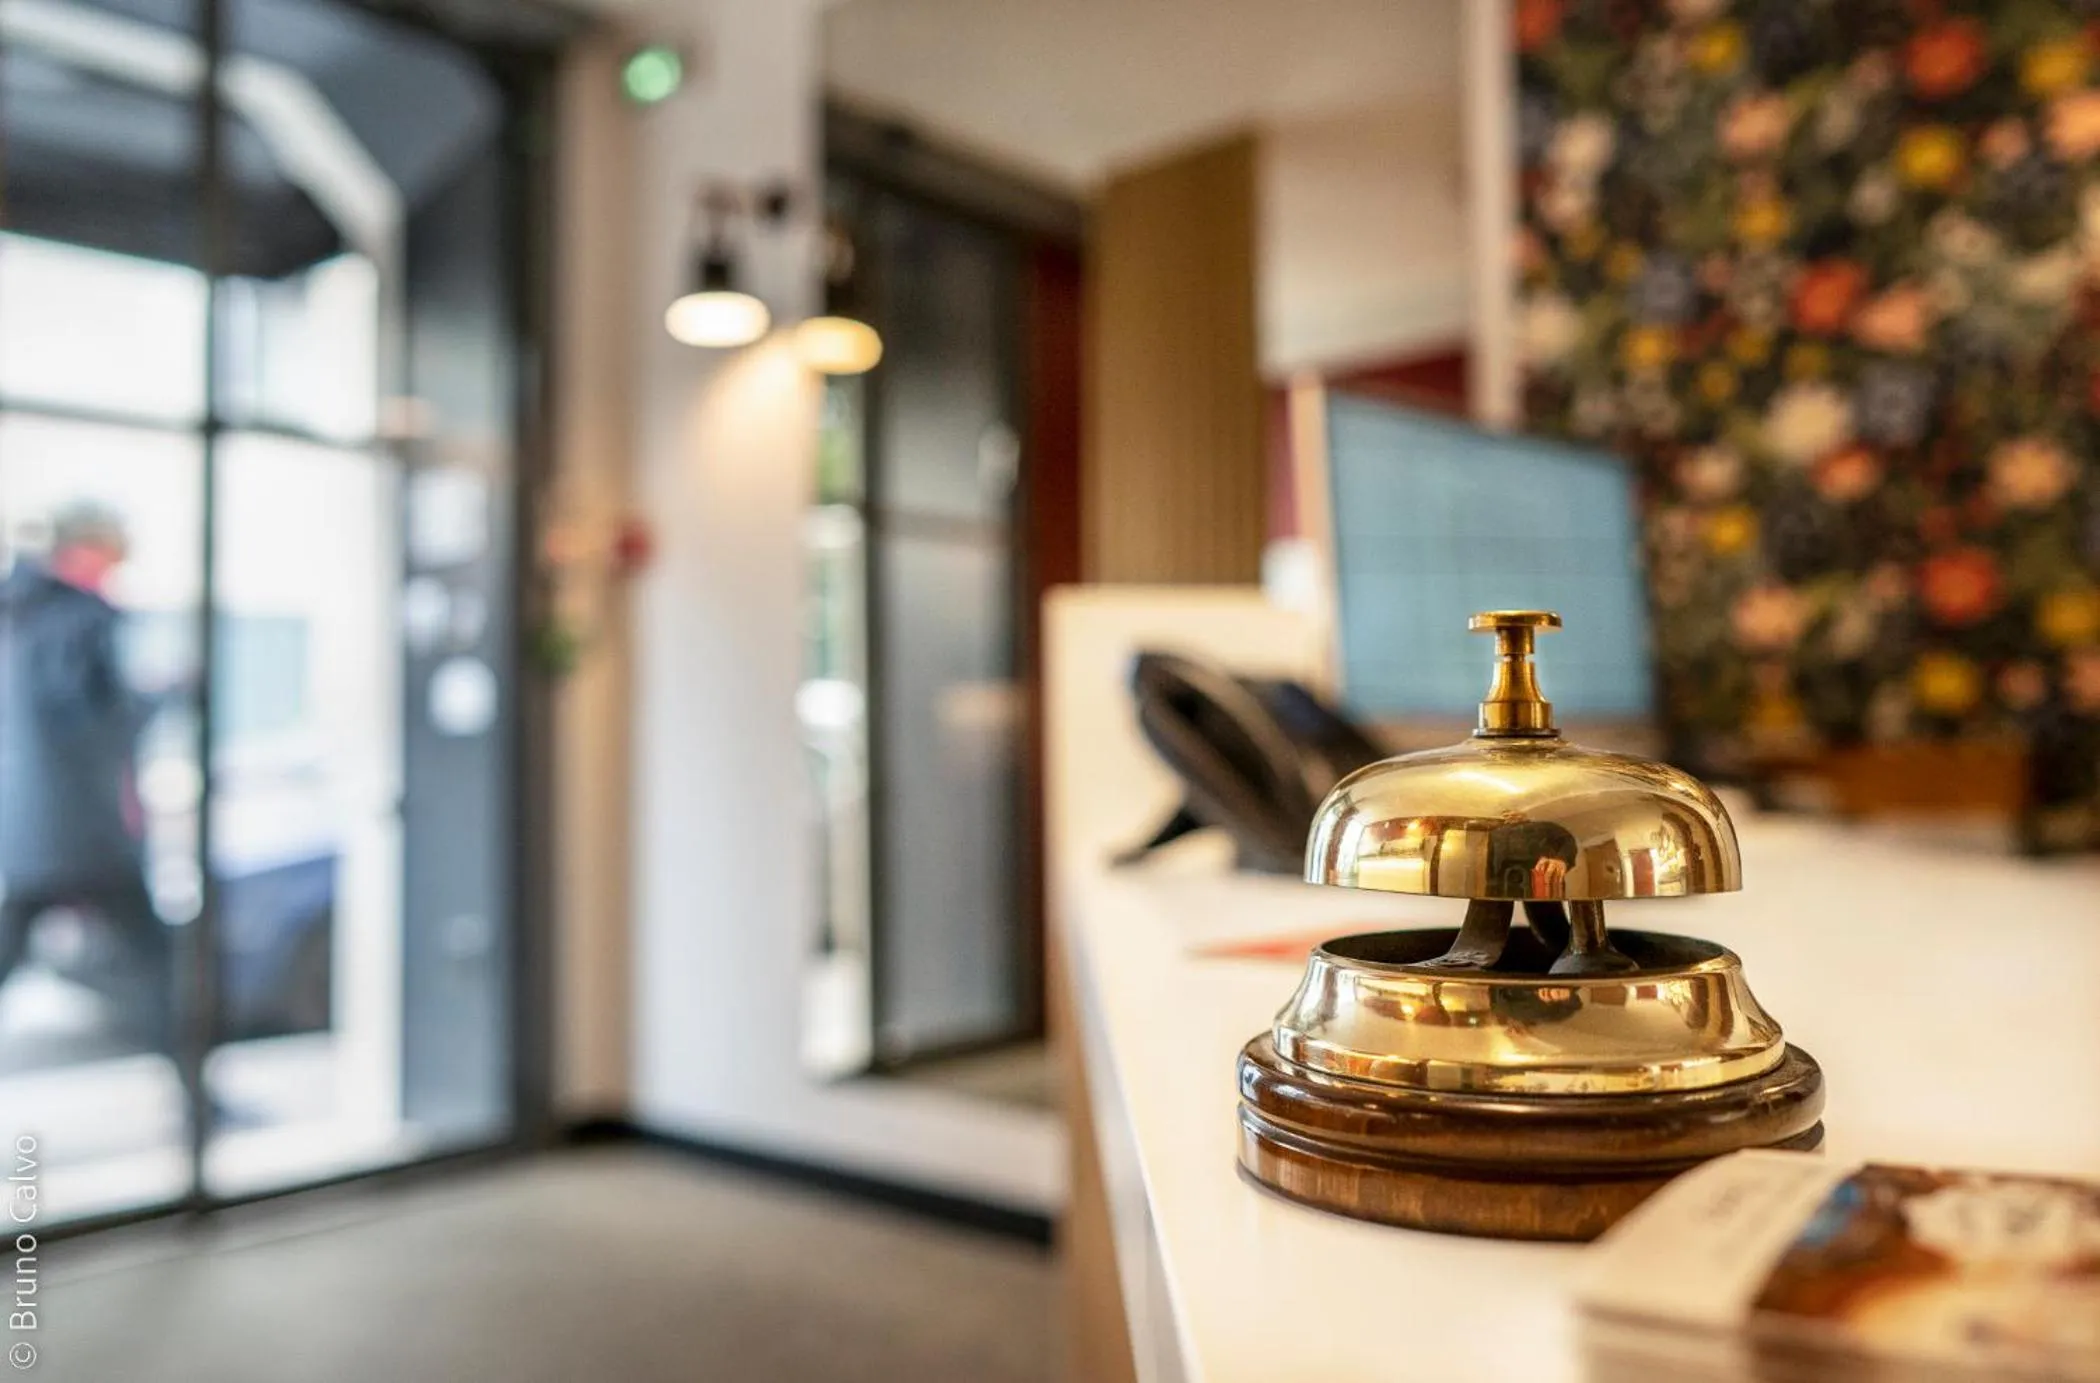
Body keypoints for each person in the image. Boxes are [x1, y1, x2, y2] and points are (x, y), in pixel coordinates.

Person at [0, 502, 182, 1087]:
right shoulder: (78, 619)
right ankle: (195, 1106)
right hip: (85, 833)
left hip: (34, 833)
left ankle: (196, 1104)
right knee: (158, 963)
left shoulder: (24, 613)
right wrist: (158, 698)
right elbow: (87, 723)